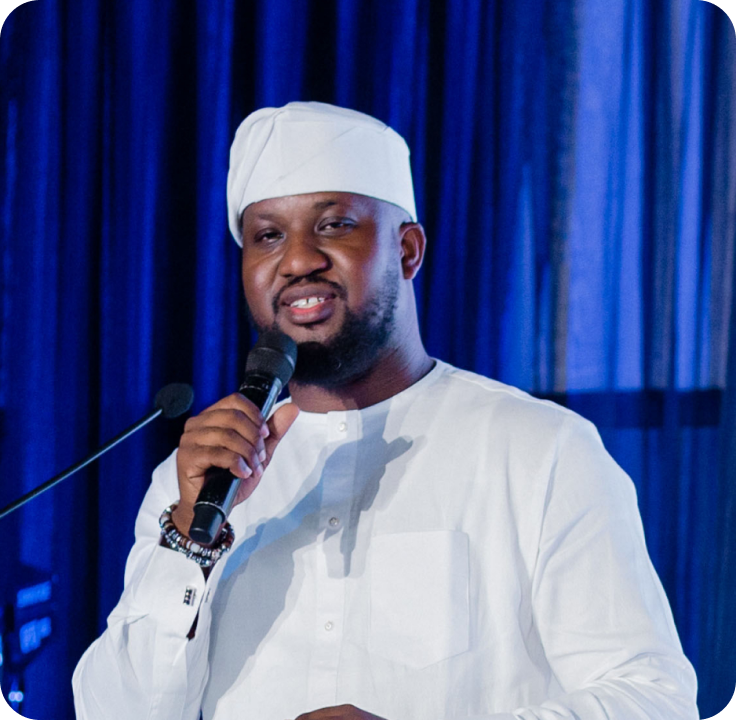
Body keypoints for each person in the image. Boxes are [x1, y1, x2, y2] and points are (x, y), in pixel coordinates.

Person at [73, 101, 699, 720]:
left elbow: (654, 700)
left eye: (333, 225)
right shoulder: (196, 481)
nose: (297, 260)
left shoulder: (540, 449)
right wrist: (189, 536)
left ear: (407, 251)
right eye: (268, 236)